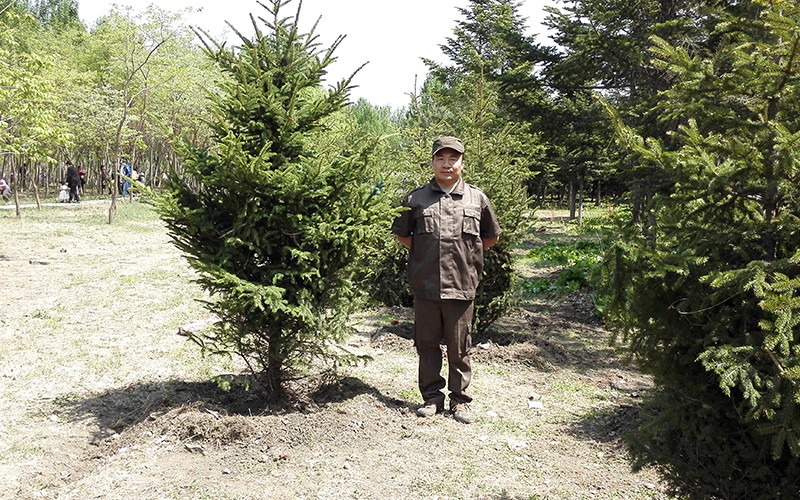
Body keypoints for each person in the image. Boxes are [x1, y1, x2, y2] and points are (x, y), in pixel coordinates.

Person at [391, 136, 501, 424]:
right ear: (432, 162)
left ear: (462, 162)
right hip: (426, 285)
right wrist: (426, 254)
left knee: (459, 346)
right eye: (441, 158)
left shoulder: (477, 198)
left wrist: (467, 256)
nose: (447, 164)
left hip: (462, 285)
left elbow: (490, 237)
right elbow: (403, 235)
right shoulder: (416, 199)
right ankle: (431, 398)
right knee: (426, 344)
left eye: (453, 158)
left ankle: (460, 400)